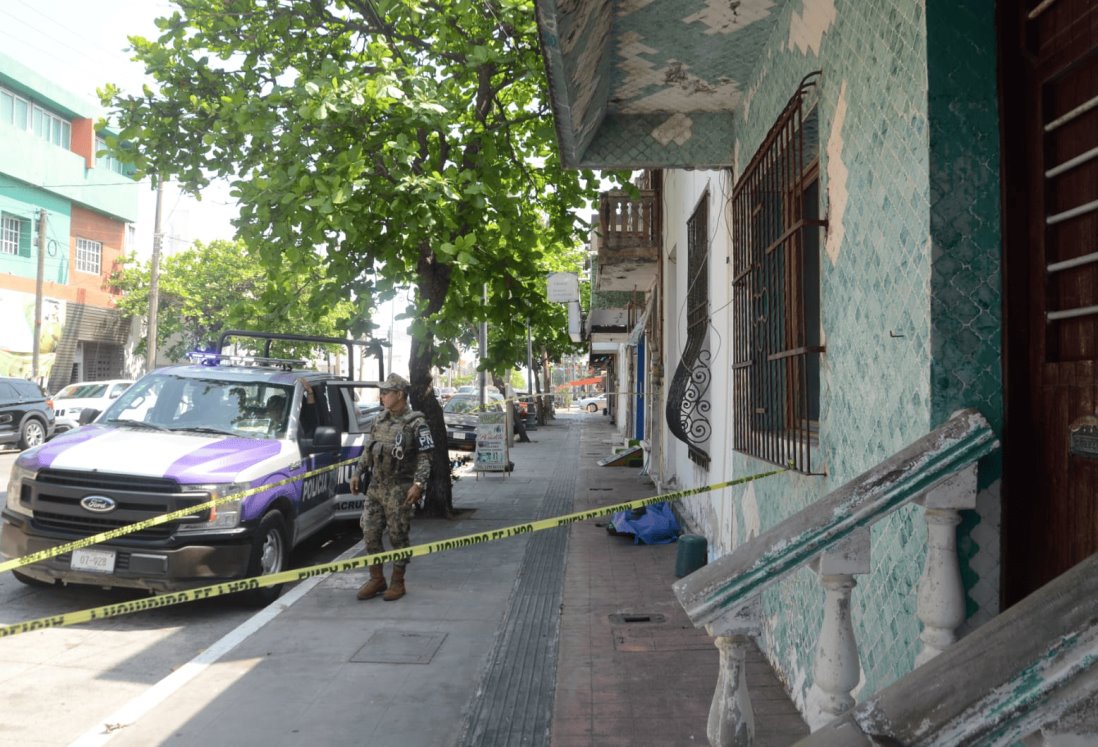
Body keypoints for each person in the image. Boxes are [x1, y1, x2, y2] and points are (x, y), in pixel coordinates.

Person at [349, 372, 433, 601]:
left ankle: (398, 581)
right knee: (369, 532)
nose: (382, 396)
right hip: (377, 486)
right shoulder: (379, 419)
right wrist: (357, 472)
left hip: (400, 489)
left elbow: (426, 457)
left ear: (400, 394)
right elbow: (369, 449)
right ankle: (377, 579)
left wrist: (418, 484)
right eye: (382, 392)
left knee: (398, 536)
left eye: (386, 392)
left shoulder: (417, 423)